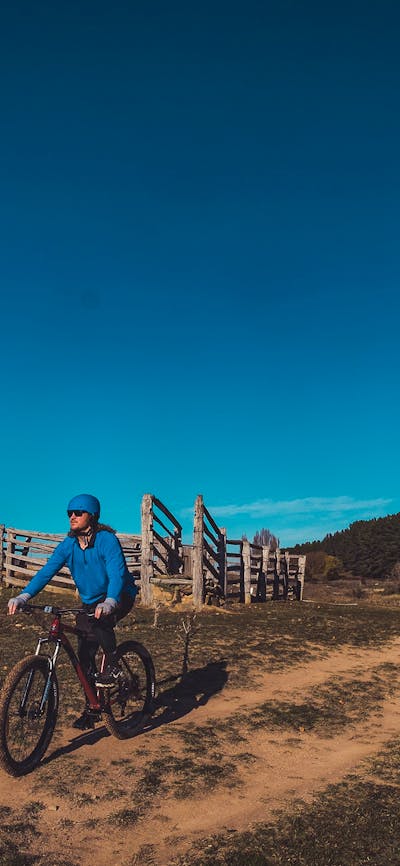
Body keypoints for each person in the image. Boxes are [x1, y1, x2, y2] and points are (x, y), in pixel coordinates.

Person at [8, 493, 138, 730]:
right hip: (89, 602)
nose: (72, 517)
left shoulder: (107, 540)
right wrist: (24, 596)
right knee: (84, 654)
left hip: (119, 594)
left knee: (101, 624)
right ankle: (92, 708)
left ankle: (113, 666)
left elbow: (117, 573)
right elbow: (46, 572)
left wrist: (110, 601)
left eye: (78, 512)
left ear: (93, 515)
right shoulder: (68, 545)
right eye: (70, 513)